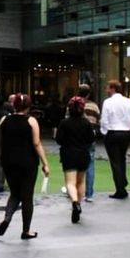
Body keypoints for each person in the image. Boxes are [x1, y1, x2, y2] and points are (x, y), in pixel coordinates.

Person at [0, 93, 50, 239]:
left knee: (15, 193)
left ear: (13, 105)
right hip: (28, 163)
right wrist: (45, 163)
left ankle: (7, 217)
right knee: (27, 197)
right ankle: (26, 230)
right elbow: (36, 143)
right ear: (28, 106)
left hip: (9, 162)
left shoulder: (4, 120)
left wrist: (2, 158)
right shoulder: (31, 121)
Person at [100, 80, 130, 199]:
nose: (106, 90)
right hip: (125, 133)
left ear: (113, 89)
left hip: (113, 132)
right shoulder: (128, 101)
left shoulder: (108, 102)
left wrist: (104, 132)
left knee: (115, 161)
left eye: (108, 88)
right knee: (121, 159)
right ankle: (122, 183)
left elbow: (104, 119)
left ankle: (120, 187)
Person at [55, 96, 95, 224]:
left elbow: (59, 140)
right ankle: (79, 204)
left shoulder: (64, 123)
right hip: (83, 154)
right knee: (81, 181)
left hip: (68, 154)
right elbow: (91, 139)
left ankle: (75, 203)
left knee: (70, 182)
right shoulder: (86, 123)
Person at [77, 83, 100, 202]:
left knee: (75, 164)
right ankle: (89, 193)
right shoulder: (94, 106)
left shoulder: (74, 104)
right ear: (89, 94)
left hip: (76, 138)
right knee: (90, 164)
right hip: (90, 137)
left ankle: (74, 189)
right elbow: (98, 121)